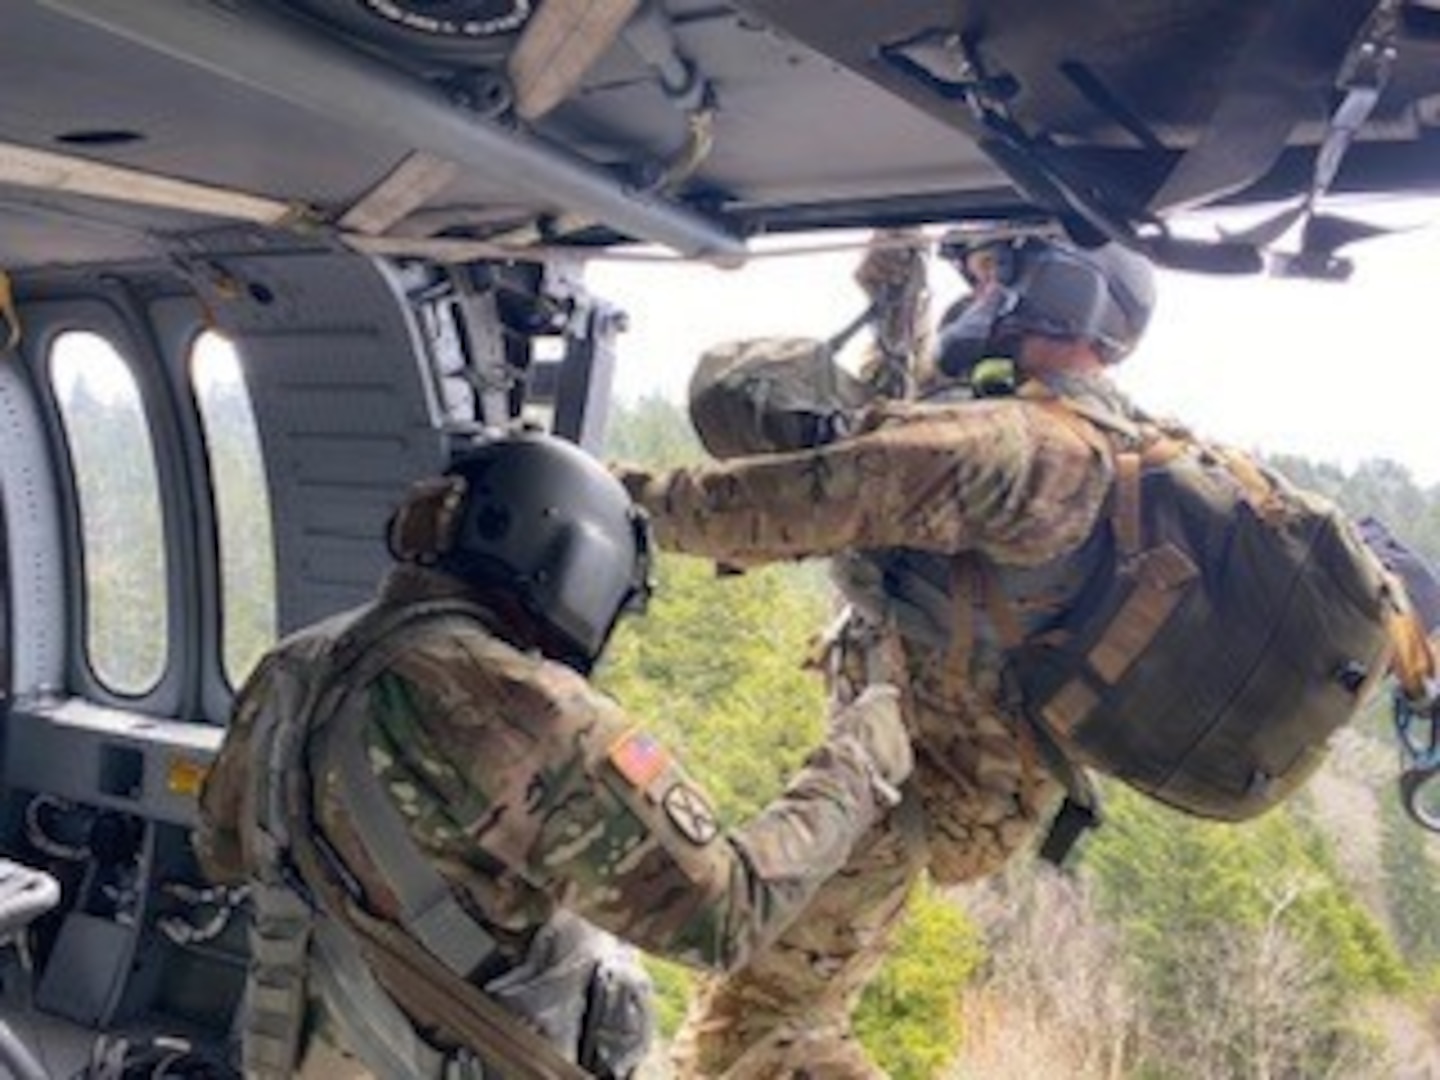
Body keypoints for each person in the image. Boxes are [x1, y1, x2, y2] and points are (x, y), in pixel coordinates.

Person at [617, 235, 1416, 1078]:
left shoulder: (1028, 452)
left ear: (1067, 300)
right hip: (933, 761)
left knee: (766, 1026)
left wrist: (558, 492)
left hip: (931, 780)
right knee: (769, 1016)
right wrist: (897, 302)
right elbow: (907, 424)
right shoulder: (1051, 425)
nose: (980, 297)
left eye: (998, 275)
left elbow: (785, 502)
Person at [194, 432, 915, 1080]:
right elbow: (724, 915)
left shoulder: (290, 669)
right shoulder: (520, 706)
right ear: (574, 561)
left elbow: (222, 851)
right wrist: (865, 750)